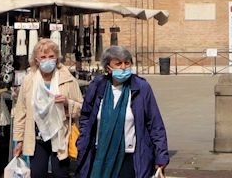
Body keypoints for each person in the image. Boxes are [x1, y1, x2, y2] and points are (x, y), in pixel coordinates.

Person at [74, 45, 169, 178]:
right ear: (108, 68)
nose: (124, 67)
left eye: (127, 63)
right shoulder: (97, 86)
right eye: (118, 64)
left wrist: (161, 156)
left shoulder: (141, 87)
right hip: (99, 154)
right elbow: (86, 116)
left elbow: (155, 124)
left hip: (130, 156)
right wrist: (82, 141)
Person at [12, 38, 83, 177]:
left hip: (61, 136)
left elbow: (81, 107)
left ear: (57, 58)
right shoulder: (29, 80)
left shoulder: (67, 79)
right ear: (36, 60)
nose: (47, 60)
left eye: (51, 56)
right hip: (37, 137)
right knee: (37, 173)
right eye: (43, 57)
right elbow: (21, 111)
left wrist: (67, 103)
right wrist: (19, 140)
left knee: (60, 174)